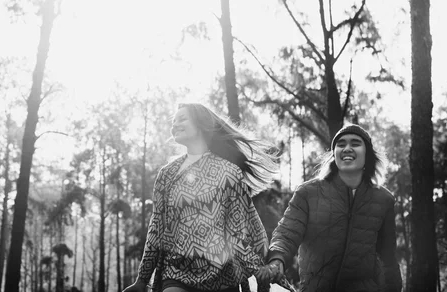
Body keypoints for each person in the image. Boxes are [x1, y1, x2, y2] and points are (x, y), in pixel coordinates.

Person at [122, 103, 281, 292]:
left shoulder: (229, 172)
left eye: (182, 119)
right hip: (176, 272)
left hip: (222, 276)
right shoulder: (167, 174)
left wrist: (258, 268)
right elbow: (156, 229)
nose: (174, 125)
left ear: (201, 125)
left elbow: (238, 231)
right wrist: (142, 279)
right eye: (173, 121)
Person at [265, 124, 403, 292]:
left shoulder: (384, 199)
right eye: (341, 144)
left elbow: (388, 258)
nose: (347, 148)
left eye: (355, 143)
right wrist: (277, 259)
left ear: (367, 154)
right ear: (334, 154)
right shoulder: (307, 193)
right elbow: (287, 233)